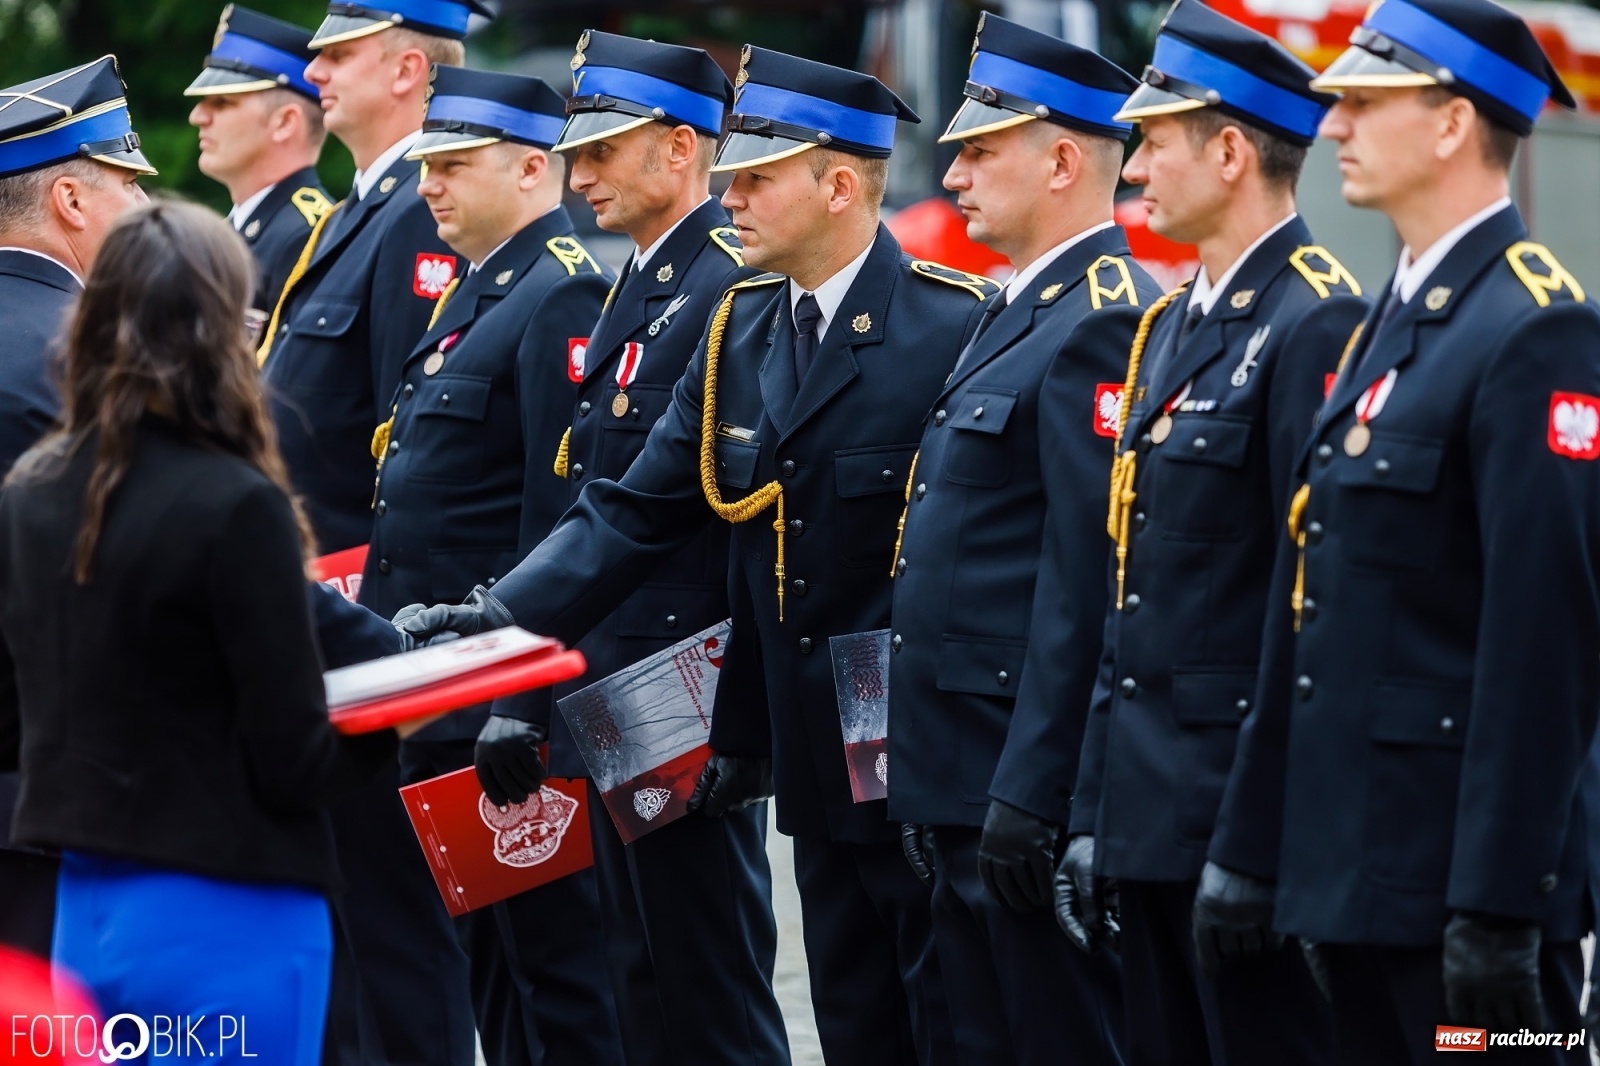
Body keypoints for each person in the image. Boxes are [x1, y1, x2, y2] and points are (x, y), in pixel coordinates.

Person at [398, 45, 1001, 1066]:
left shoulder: (945, 325)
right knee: (839, 1011)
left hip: (904, 734)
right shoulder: (743, 327)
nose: (731, 194)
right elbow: (629, 509)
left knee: (939, 1013)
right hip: (801, 739)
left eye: (757, 177)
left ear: (841, 183)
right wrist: (496, 618)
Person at [1202, 0, 1600, 1058]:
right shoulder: (1392, 317)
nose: (1332, 125)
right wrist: (1251, 847)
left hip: (1463, 895)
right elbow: (1315, 604)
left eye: (1365, 102)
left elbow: (1542, 647)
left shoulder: (1533, 327)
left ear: (1449, 125)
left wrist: (1502, 903)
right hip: (1359, 874)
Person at [0, 201, 432, 1066]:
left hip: (86, 908)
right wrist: (404, 715)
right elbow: (296, 762)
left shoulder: (35, 492)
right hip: (228, 910)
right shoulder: (235, 505)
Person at [1050, 4, 1366, 1063]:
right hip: (1149, 819)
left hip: (1237, 828)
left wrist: (1267, 840)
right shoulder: (1174, 322)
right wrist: (1094, 808)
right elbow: (1129, 588)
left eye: (1152, 141)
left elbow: (1310, 606)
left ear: (1229, 150)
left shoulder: (1312, 317)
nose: (1132, 166)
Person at [886, 16, 1152, 1065]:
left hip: (1013, 778)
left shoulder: (1098, 317)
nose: (952, 177)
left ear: (1060, 160)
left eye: (978, 150)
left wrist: (1033, 792)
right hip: (957, 770)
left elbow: (1083, 588)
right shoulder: (1011, 310)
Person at [359, 65, 623, 1066]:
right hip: (440, 694)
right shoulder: (477, 292)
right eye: (426, 165)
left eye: (454, 165)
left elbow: (557, 517)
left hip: (496, 710)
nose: (430, 185)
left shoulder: (559, 291)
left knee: (555, 976)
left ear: (528, 168)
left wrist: (523, 697)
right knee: (490, 970)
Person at [537, 30, 788, 1066]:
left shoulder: (723, 286)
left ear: (682, 149)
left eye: (603, 151)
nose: (577, 173)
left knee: (705, 985)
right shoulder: (644, 282)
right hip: (618, 679)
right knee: (639, 972)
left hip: (681, 682)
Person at [258, 4, 488, 1063]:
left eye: (337, 52)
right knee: (354, 925)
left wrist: (393, 651)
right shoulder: (361, 205)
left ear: (407, 69)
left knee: (397, 936)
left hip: (372, 628)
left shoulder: (411, 217)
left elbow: (415, 456)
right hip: (326, 626)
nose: (310, 68)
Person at [0, 56, 152, 964]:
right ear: (71, 199)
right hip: (58, 801)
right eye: (129, 189)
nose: (141, 215)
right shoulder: (88, 357)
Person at [186, 5, 332, 315]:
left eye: (222, 102)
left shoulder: (308, 236)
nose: (197, 116)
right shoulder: (236, 229)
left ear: (285, 123)